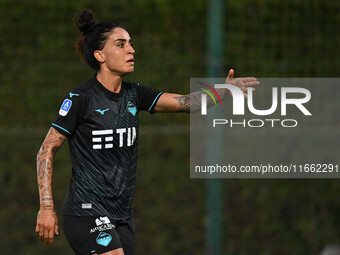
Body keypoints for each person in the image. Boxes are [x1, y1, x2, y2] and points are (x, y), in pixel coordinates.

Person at [35, 9, 259, 255]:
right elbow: (46, 150)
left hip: (121, 215)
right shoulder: (81, 98)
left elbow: (184, 102)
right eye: (120, 45)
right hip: (85, 210)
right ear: (100, 55)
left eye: (131, 44)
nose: (131, 50)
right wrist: (46, 207)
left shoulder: (135, 94)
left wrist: (222, 92)